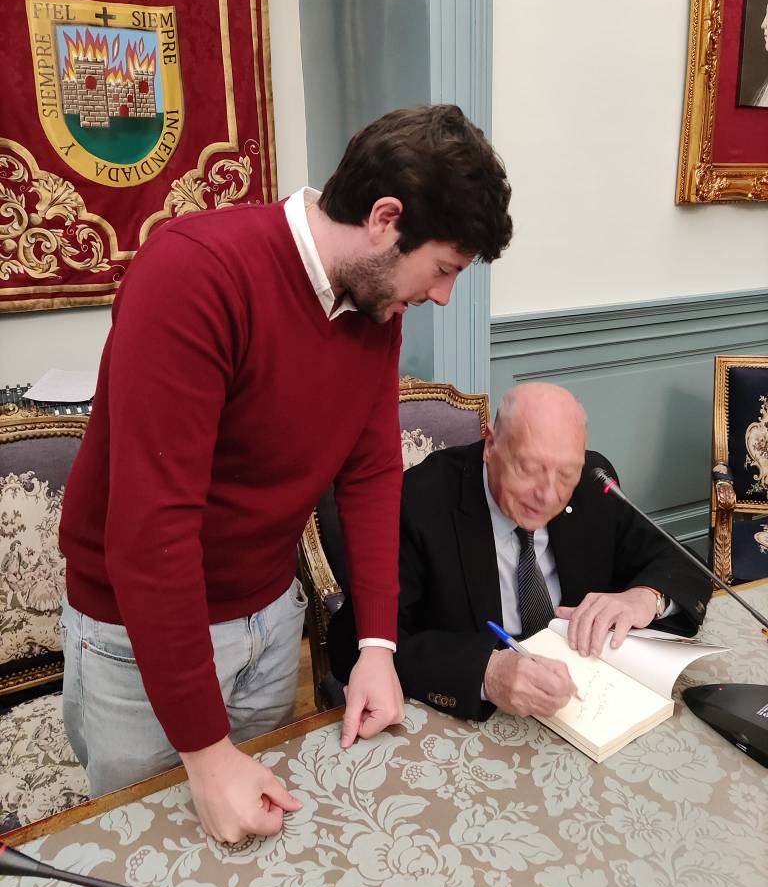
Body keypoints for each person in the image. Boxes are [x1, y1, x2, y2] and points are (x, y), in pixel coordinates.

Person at [58, 104, 513, 843]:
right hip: (139, 637)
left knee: (254, 842)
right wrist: (207, 754)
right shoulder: (194, 274)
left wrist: (378, 646)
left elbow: (371, 473)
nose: (442, 296)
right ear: (385, 220)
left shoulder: (374, 305)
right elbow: (152, 534)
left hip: (270, 621)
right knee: (146, 846)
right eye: (443, 269)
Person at [329, 382, 711, 723]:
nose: (548, 495)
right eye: (529, 468)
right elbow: (352, 644)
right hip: (471, 719)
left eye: (566, 474)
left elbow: (684, 564)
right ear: (490, 445)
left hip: (585, 705)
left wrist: (646, 597)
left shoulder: (593, 482)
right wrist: (485, 672)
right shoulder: (419, 502)